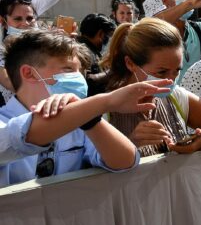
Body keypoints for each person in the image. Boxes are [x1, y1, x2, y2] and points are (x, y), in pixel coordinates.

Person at [0, 30, 146, 186]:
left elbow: (125, 162)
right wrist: (105, 102)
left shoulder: (82, 122)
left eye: (81, 71)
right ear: (29, 73)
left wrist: (90, 120)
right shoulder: (4, 121)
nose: (79, 78)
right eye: (68, 69)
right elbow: (18, 138)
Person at [102, 17, 201, 157]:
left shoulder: (176, 97)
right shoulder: (105, 110)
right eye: (161, 72)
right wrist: (131, 143)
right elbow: (98, 161)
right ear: (131, 64)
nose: (170, 80)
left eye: (177, 71)